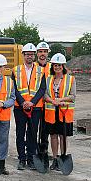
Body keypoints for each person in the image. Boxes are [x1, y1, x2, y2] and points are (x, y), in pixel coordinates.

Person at [12, 43, 46, 170]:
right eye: (27, 54)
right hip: (19, 108)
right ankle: (22, 159)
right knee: (20, 134)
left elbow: (42, 88)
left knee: (32, 133)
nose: (29, 57)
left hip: (35, 107)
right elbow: (13, 89)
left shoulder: (41, 71)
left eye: (31, 54)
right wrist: (22, 102)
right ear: (23, 55)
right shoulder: (15, 70)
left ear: (34, 55)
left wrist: (32, 102)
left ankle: (31, 158)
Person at [44, 53, 76, 171]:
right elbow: (45, 94)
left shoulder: (70, 79)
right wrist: (52, 101)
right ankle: (55, 159)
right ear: (52, 67)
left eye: (59, 65)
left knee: (63, 136)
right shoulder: (48, 79)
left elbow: (73, 96)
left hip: (64, 112)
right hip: (52, 112)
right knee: (53, 136)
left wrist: (60, 100)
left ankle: (63, 157)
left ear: (63, 66)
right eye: (55, 65)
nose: (57, 67)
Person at [35, 41, 52, 170]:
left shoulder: (52, 67)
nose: (42, 54)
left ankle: (44, 150)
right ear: (37, 53)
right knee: (34, 129)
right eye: (40, 51)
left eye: (44, 51)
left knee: (45, 130)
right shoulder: (33, 67)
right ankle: (34, 150)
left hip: (49, 105)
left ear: (47, 53)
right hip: (36, 105)